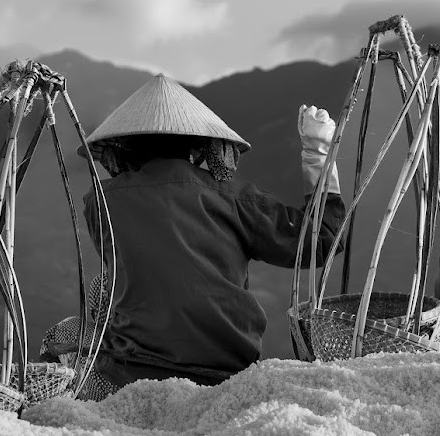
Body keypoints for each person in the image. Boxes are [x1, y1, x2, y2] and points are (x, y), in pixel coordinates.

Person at [42, 73, 344, 398]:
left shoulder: (100, 201)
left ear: (125, 147)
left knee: (70, 324)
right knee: (105, 288)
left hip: (134, 371)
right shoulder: (234, 197)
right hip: (227, 366)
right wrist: (318, 154)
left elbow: (134, 268)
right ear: (201, 146)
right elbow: (322, 241)